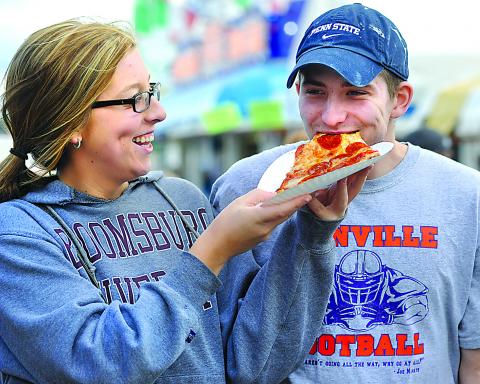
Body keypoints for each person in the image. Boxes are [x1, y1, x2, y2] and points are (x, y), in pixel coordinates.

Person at [0, 18, 369, 384]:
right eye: (136, 99)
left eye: (152, 91)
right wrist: (210, 253)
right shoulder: (18, 234)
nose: (158, 113)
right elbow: (100, 364)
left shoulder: (183, 201)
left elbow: (255, 364)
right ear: (72, 124)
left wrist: (313, 232)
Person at [211, 3, 480, 383]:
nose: (332, 118)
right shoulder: (247, 186)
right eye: (315, 92)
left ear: (400, 100)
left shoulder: (467, 196)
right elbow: (227, 358)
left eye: (356, 94)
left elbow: (474, 359)